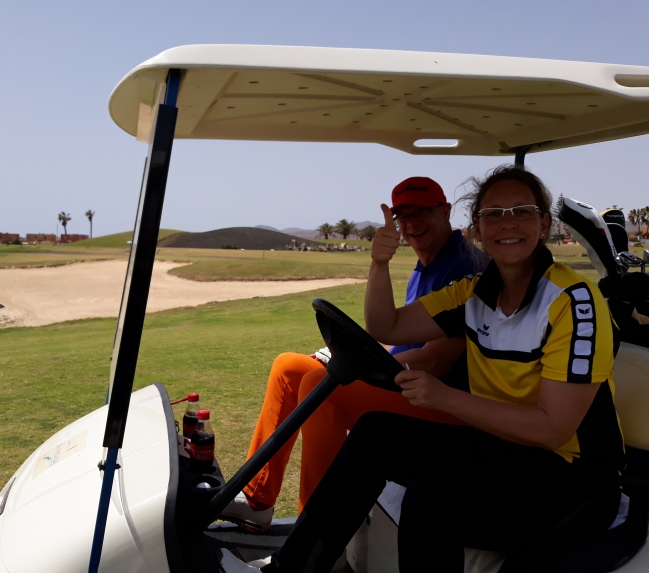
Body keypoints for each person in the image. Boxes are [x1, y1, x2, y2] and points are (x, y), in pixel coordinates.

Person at [221, 165, 626, 572]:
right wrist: (379, 263)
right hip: (501, 447)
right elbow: (386, 327)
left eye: (522, 211)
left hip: (574, 477)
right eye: (493, 214)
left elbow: (553, 429)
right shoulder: (474, 293)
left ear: (544, 224)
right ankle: (293, 568)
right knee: (374, 435)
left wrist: (445, 398)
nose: (508, 224)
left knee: (431, 497)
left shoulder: (573, 301)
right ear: (477, 227)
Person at [221, 176, 487, 531]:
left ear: (445, 212)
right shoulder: (427, 264)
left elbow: (434, 361)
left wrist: (362, 367)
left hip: (441, 401)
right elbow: (401, 341)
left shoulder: (464, 267)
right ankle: (258, 499)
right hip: (405, 383)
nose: (412, 224)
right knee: (289, 368)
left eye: (422, 212)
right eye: (403, 216)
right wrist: (355, 355)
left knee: (320, 385)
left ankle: (315, 530)